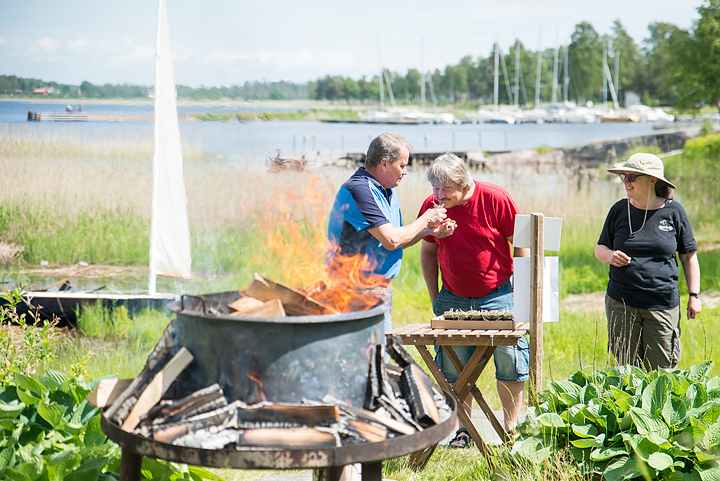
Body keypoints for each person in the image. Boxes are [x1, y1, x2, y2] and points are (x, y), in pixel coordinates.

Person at [417, 153, 530, 447]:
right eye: (435, 189)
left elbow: (522, 242)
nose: (439, 196)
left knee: (511, 361)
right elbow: (427, 252)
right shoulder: (432, 208)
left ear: (464, 183)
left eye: (446, 190)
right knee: (454, 368)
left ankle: (512, 430)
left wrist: (521, 292)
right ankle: (463, 431)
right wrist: (435, 296)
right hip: (451, 298)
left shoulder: (495, 198)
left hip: (499, 295)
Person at [326, 132, 454, 332]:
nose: (405, 172)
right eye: (402, 166)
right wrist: (425, 219)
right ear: (384, 163)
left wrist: (429, 232)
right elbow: (391, 240)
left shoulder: (388, 191)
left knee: (378, 358)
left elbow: (397, 239)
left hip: (377, 291)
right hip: (354, 293)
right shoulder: (359, 190)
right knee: (368, 359)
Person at [595, 153, 701, 371]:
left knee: (663, 373)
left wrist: (694, 295)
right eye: (624, 176)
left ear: (653, 180)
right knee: (626, 371)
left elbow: (688, 256)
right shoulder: (619, 209)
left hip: (661, 304)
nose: (626, 182)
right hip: (621, 303)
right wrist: (610, 256)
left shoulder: (674, 211)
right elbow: (600, 248)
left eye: (633, 177)